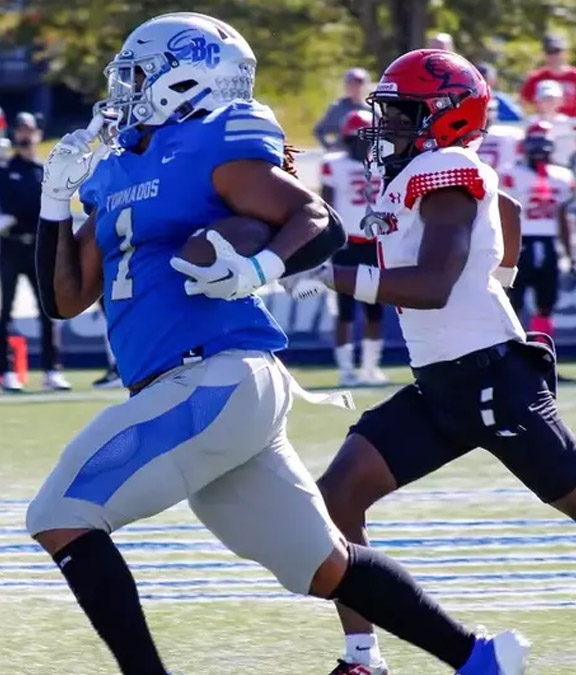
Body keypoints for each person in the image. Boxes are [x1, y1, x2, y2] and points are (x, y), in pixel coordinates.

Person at [29, 14, 526, 675]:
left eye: (140, 76)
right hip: (209, 390)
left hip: (215, 376)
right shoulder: (118, 170)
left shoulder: (213, 142)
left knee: (61, 512)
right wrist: (53, 206)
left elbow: (317, 219)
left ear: (185, 77)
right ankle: (479, 657)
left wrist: (262, 267)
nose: (126, 92)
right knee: (325, 565)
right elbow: (62, 300)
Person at [290, 48, 573, 675]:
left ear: (446, 116)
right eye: (385, 112)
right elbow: (510, 213)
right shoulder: (426, 171)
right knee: (336, 498)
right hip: (442, 385)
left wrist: (328, 276)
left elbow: (431, 286)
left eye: (400, 112)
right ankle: (362, 657)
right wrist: (497, 275)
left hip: (493, 380)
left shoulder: (444, 167)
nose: (384, 125)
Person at [0, 112, 70, 392]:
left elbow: (49, 207)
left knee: (48, 309)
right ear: (15, 135)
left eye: (30, 131)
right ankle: (5, 371)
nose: (26, 136)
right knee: (5, 311)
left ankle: (52, 370)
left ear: (37, 135)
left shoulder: (43, 170)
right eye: (21, 131)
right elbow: (9, 205)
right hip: (12, 246)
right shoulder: (5, 169)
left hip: (38, 247)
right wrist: (30, 204)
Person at [319, 110, 388, 386]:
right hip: (346, 243)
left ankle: (371, 368)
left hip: (374, 243)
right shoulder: (334, 164)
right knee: (345, 311)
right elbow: (327, 206)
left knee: (374, 310)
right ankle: (346, 369)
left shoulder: (383, 164)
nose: (361, 143)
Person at [501, 120, 575, 338]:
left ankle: (543, 355)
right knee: (513, 302)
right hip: (519, 242)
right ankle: (512, 357)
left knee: (546, 302)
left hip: (549, 242)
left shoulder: (562, 176)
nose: (539, 148)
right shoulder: (511, 173)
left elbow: (562, 216)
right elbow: (503, 213)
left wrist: (569, 253)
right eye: (535, 142)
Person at [524, 79, 576, 169]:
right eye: (545, 99)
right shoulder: (529, 122)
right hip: (533, 171)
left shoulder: (567, 123)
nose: (550, 102)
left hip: (565, 171)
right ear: (537, 100)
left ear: (561, 100)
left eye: (553, 99)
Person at [520, 34, 576, 118]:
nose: (553, 56)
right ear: (543, 54)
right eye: (549, 52)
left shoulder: (574, 75)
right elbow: (524, 102)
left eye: (556, 51)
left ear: (564, 53)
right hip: (545, 125)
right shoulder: (536, 77)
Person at [314, 68, 369, 150]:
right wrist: (330, 148)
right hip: (344, 154)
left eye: (359, 84)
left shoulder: (372, 109)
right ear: (346, 86)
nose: (356, 88)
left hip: (367, 156)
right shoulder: (338, 108)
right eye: (352, 84)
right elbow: (319, 130)